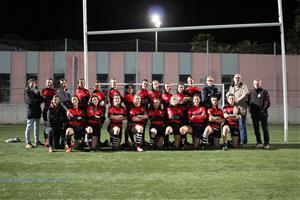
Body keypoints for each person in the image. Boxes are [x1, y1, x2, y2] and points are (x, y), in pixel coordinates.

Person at [226, 74, 249, 147]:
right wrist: (229, 100)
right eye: (236, 77)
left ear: (240, 79)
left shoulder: (244, 86)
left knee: (242, 126)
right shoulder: (231, 87)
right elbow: (228, 94)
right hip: (234, 110)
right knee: (236, 127)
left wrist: (237, 100)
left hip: (241, 109)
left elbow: (245, 95)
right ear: (233, 78)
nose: (237, 79)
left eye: (239, 78)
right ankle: (237, 141)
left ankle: (243, 142)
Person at [249, 78, 271, 149]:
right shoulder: (251, 92)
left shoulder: (264, 92)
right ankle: (259, 142)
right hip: (254, 115)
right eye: (255, 83)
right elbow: (249, 103)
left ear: (260, 84)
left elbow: (267, 103)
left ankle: (266, 143)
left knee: (265, 129)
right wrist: (250, 111)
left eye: (258, 83)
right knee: (256, 129)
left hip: (263, 114)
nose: (256, 85)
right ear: (253, 84)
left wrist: (262, 110)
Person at [24, 79, 44, 148]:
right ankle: (27, 143)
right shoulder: (26, 91)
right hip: (31, 112)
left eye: (34, 83)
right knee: (29, 127)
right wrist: (38, 100)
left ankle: (37, 141)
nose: (33, 84)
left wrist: (37, 99)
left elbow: (42, 100)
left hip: (38, 111)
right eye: (31, 83)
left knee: (37, 128)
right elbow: (30, 101)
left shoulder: (37, 91)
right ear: (29, 84)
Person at [41, 78, 56, 147]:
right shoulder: (43, 90)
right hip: (46, 110)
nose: (49, 83)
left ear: (52, 83)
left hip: (53, 110)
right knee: (46, 125)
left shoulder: (54, 91)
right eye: (48, 82)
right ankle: (46, 140)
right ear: (46, 83)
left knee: (52, 125)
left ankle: (52, 139)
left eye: (50, 82)